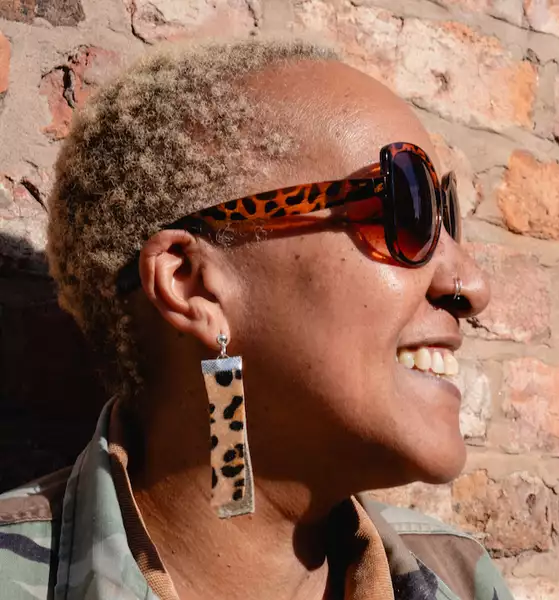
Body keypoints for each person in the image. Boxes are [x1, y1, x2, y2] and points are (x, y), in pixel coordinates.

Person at [0, 38, 512, 600]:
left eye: (447, 216)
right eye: (406, 209)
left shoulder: (463, 577)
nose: (472, 286)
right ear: (192, 285)